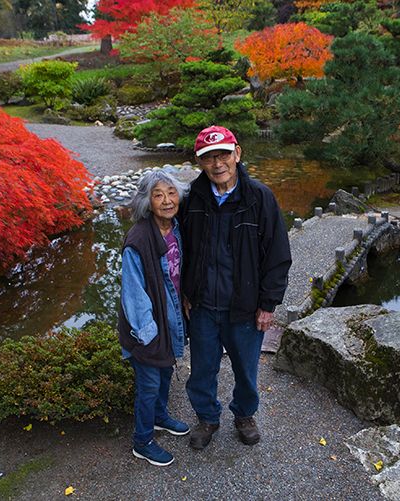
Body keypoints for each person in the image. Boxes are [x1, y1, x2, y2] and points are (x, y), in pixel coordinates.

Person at [180, 125, 292, 449]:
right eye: (209, 157)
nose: (218, 164)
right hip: (202, 305)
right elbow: (182, 248)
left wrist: (268, 304)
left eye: (223, 155)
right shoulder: (192, 198)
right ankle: (207, 417)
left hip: (243, 305)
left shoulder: (259, 197)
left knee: (246, 369)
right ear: (200, 162)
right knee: (202, 369)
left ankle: (244, 414)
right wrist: (186, 291)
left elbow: (278, 255)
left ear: (237, 154)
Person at [118, 169, 190, 467]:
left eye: (171, 193)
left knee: (163, 374)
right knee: (148, 383)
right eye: (158, 194)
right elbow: (133, 294)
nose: (166, 200)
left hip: (170, 316)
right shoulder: (138, 239)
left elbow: (177, 272)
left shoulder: (175, 228)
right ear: (147, 201)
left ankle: (160, 417)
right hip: (147, 325)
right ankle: (143, 441)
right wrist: (148, 334)